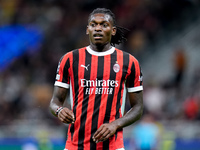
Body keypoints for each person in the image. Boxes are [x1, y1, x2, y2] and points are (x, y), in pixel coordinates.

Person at [50, 8, 143, 150]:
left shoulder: (129, 62)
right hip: (75, 145)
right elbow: (55, 102)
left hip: (113, 146)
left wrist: (115, 124)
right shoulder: (69, 59)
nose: (98, 28)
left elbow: (138, 108)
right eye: (93, 24)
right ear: (87, 29)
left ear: (113, 30)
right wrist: (59, 110)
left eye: (104, 25)